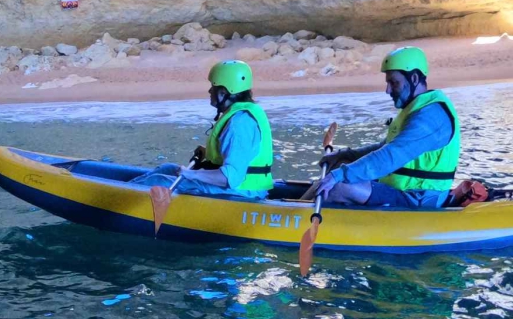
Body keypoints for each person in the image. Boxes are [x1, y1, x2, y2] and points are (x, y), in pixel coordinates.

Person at [304, 46, 460, 208]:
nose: (388, 90)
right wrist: (346, 154)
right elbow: (384, 147)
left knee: (338, 186)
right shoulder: (415, 108)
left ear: (414, 79)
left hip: (419, 198)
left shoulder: (432, 117)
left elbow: (390, 156)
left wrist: (339, 175)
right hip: (401, 189)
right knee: (341, 163)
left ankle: (298, 213)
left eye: (394, 82)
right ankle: (299, 205)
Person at [129, 60, 273, 198]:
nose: (210, 91)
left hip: (244, 192)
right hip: (240, 187)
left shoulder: (239, 124)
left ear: (223, 92)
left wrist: (192, 174)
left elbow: (230, 177)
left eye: (213, 87)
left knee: (158, 181)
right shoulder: (240, 116)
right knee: (167, 169)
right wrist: (208, 153)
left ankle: (122, 196)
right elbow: (240, 153)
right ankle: (124, 188)